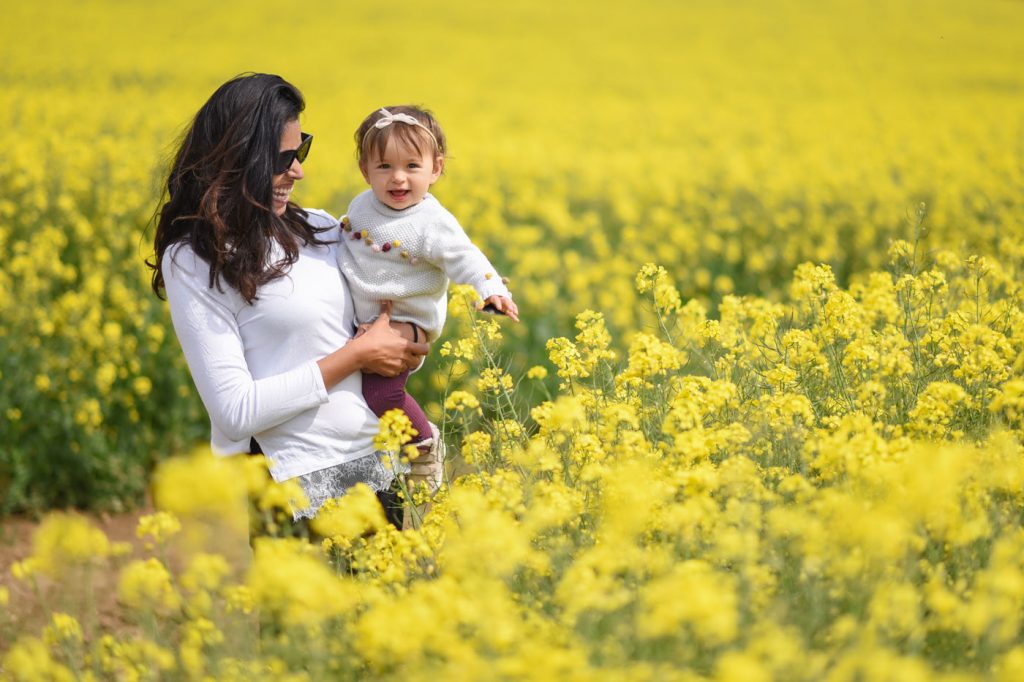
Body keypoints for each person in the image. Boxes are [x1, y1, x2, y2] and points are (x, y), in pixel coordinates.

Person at [148, 73, 430, 527]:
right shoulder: (196, 259)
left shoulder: (320, 228)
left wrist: (408, 342)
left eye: (301, 150)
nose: (297, 170)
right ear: (241, 158)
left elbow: (389, 321)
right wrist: (356, 354)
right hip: (289, 481)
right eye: (282, 158)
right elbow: (235, 412)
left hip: (376, 462)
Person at [338, 105, 519, 457]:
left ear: (435, 168)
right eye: (384, 166)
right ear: (365, 171)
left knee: (382, 395)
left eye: (412, 166)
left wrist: (492, 290)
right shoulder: (361, 205)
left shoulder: (431, 221)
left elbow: (465, 257)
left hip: (405, 326)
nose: (398, 178)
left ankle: (423, 443)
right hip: (362, 322)